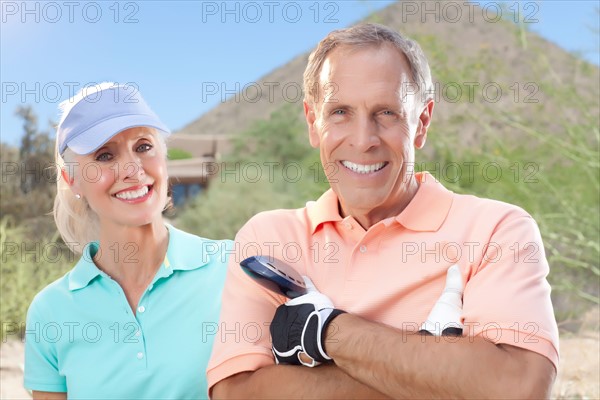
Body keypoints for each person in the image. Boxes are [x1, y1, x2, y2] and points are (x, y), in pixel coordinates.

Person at [207, 23, 559, 398]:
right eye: (340, 112)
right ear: (314, 123)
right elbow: (236, 393)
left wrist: (328, 331)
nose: (363, 140)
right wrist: (434, 370)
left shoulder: (497, 230)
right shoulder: (269, 240)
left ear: (421, 123)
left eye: (386, 113)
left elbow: (519, 387)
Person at [24, 83, 231, 399]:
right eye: (105, 155)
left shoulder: (233, 268)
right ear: (72, 179)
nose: (133, 169)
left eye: (144, 146)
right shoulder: (51, 312)